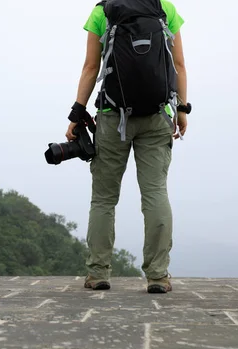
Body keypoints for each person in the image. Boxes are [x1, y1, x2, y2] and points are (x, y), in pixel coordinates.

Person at [67, 0, 189, 293]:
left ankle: (97, 274)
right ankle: (158, 276)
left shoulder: (102, 12)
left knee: (104, 199)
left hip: (111, 117)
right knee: (155, 193)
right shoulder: (164, 8)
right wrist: (181, 110)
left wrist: (76, 114)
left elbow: (91, 67)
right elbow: (179, 65)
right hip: (157, 115)